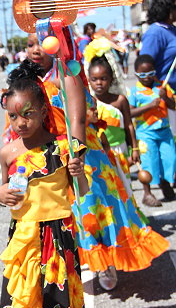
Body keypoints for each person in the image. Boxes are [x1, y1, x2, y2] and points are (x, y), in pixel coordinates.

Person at [21, 37, 168, 291]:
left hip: (83, 154)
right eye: (31, 44)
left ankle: (104, 261)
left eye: (41, 43)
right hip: (48, 157)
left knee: (91, 208)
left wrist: (77, 155)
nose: (36, 49)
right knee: (60, 214)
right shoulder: (28, 81)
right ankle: (67, 264)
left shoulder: (68, 78)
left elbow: (81, 120)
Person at [0, 60, 95, 308]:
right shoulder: (7, 153)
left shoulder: (64, 147)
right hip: (22, 235)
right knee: (28, 293)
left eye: (28, 114)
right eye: (13, 116)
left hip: (57, 236)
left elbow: (82, 190)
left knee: (56, 300)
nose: (20, 123)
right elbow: (2, 194)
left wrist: (78, 173)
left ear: (44, 110)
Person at [88, 56, 141, 206]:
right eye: (94, 79)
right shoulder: (89, 102)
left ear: (111, 79)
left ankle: (131, 214)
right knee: (108, 187)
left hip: (120, 149)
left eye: (103, 78)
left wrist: (134, 148)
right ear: (89, 80)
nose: (99, 83)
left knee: (125, 185)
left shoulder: (120, 100)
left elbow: (129, 125)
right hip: (101, 151)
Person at [128, 54, 176, 205]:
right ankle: (147, 194)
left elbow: (173, 106)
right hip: (145, 133)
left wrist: (165, 97)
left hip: (164, 131)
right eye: (142, 74)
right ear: (136, 74)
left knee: (169, 158)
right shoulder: (134, 91)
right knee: (149, 161)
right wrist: (149, 106)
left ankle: (165, 183)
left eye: (150, 73)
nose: (147, 77)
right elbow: (130, 113)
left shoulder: (162, 87)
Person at [140, 0, 176, 134]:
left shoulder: (172, 29)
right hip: (167, 94)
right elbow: (144, 64)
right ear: (168, 10)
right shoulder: (155, 32)